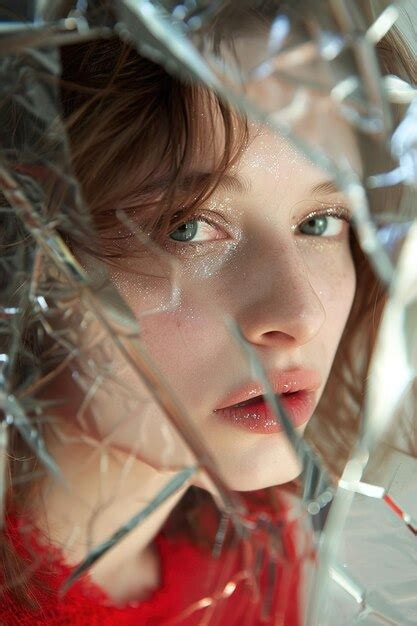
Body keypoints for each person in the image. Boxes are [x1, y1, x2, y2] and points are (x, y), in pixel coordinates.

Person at [0, 5, 415, 625]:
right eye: (187, 227)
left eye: (320, 222)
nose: (296, 314)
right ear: (28, 249)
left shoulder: (258, 561)